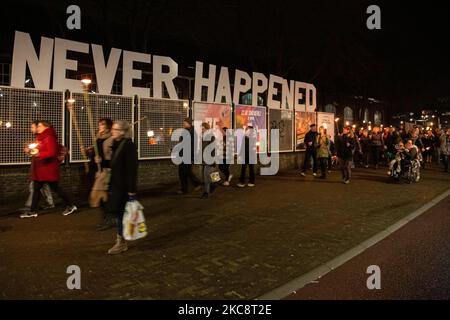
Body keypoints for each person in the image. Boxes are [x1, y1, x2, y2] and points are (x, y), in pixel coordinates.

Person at [20, 121, 77, 218]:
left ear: (46, 127)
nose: (37, 127)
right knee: (37, 189)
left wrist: (38, 154)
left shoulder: (49, 138)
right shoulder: (41, 138)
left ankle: (71, 205)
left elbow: (51, 152)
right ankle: (32, 211)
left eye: (39, 125)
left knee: (55, 188)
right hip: (41, 169)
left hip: (47, 169)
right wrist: (30, 151)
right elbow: (37, 150)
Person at [106, 120, 138, 255]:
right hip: (116, 184)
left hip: (124, 187)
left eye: (115, 129)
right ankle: (121, 239)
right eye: (112, 128)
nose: (112, 131)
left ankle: (121, 242)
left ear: (123, 132)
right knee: (119, 213)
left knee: (120, 214)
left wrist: (131, 190)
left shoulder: (128, 146)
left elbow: (132, 169)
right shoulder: (116, 144)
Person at [81, 118, 115, 231]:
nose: (100, 126)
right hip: (95, 170)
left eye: (102, 124)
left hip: (105, 171)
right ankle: (108, 217)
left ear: (108, 127)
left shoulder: (112, 139)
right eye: (99, 124)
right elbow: (96, 151)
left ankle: (109, 218)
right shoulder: (98, 137)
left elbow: (112, 158)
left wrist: (102, 161)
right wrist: (87, 151)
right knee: (99, 194)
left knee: (103, 195)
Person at [22, 120, 54, 211]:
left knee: (35, 187)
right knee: (44, 186)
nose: (31, 129)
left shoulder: (45, 138)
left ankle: (30, 206)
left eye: (33, 127)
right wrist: (30, 151)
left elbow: (46, 152)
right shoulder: (38, 138)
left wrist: (33, 152)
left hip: (43, 166)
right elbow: (35, 152)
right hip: (39, 166)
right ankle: (49, 203)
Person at [177, 118, 201, 194]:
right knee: (181, 172)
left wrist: (192, 157)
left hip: (188, 155)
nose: (183, 124)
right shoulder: (185, 131)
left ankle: (197, 183)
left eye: (185, 123)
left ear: (189, 123)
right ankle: (184, 189)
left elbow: (193, 145)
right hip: (182, 155)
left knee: (187, 171)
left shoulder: (193, 132)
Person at [200, 122, 217, 199]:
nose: (201, 130)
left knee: (206, 176)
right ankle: (214, 184)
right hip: (203, 159)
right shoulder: (203, 136)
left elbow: (213, 149)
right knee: (209, 174)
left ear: (207, 128)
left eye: (203, 128)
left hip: (209, 159)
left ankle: (206, 192)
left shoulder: (211, 137)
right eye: (201, 128)